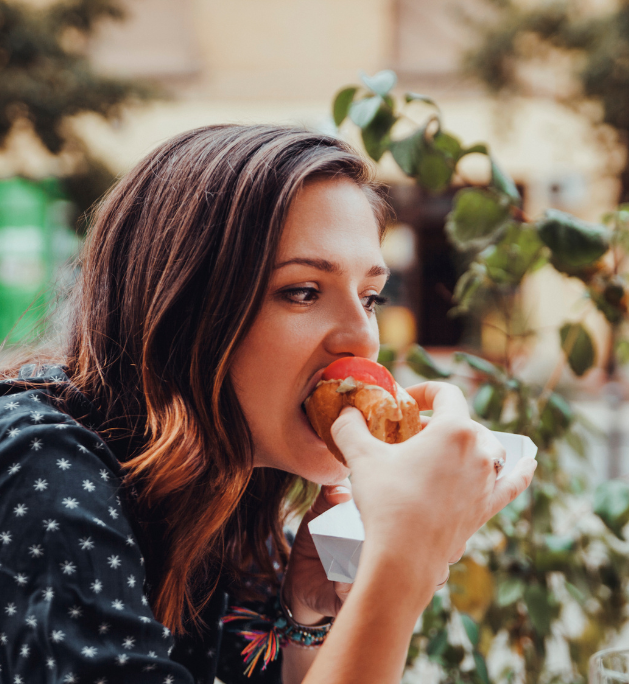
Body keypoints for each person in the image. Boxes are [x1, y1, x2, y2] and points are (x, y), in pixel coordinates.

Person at [0, 124, 536, 684]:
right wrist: (403, 562)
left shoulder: (237, 494)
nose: (362, 339)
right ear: (186, 312)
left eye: (370, 298)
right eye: (303, 292)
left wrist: (304, 621)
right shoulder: (44, 461)